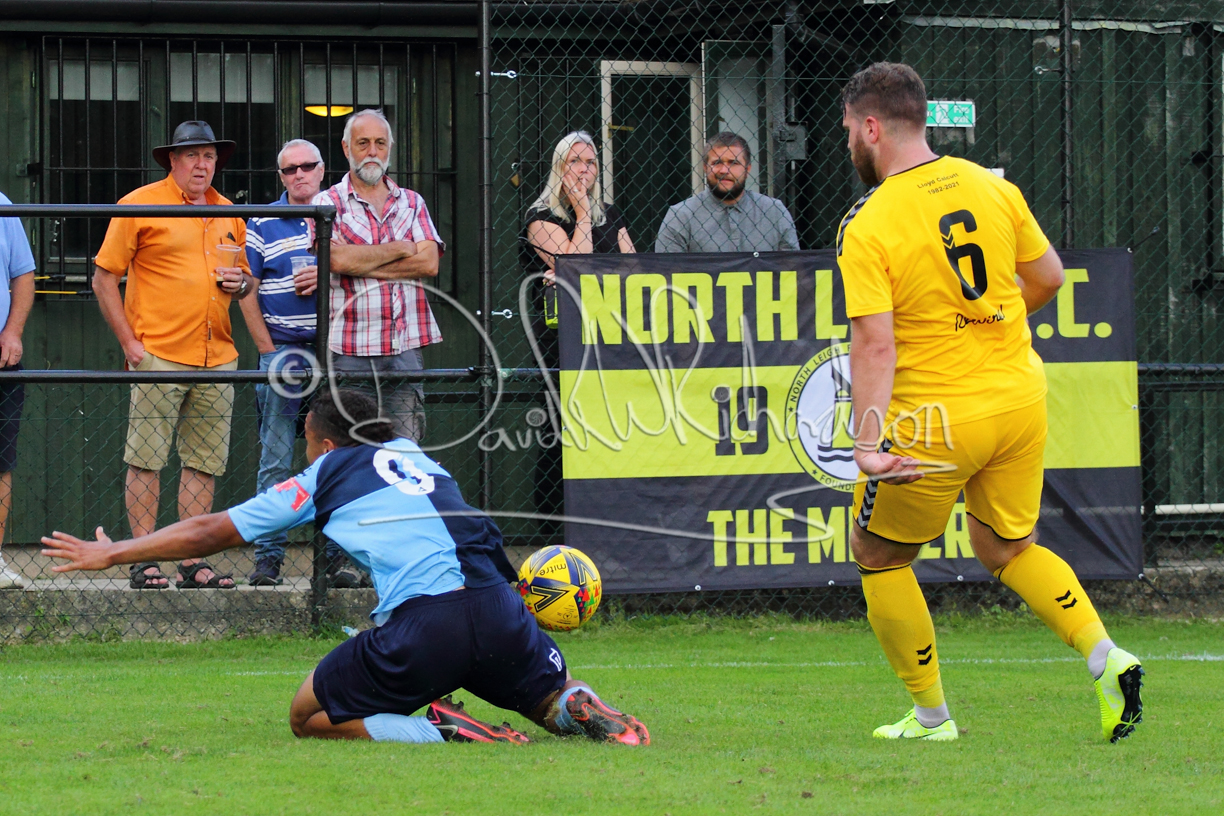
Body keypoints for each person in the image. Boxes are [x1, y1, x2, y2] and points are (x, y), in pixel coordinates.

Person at [42, 388, 652, 747]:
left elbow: (212, 531)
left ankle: (443, 731)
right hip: (501, 609)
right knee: (545, 699)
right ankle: (579, 705)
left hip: (428, 627)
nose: (307, 454)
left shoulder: (326, 472)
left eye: (308, 443)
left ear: (326, 444)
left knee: (307, 716)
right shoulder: (416, 456)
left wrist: (114, 552)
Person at [835, 62, 1143, 743]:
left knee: (877, 552)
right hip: (1018, 401)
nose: (848, 141)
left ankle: (931, 718)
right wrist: (984, 324)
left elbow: (875, 345)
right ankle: (1105, 656)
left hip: (936, 419)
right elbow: (1049, 277)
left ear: (873, 127)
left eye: (850, 128)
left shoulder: (869, 220)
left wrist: (866, 445)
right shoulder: (990, 186)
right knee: (1006, 547)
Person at [93, 120, 256, 590]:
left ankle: (191, 561)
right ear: (173, 160)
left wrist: (242, 283)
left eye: (209, 156)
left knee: (203, 463)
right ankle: (144, 561)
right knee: (146, 459)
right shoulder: (139, 203)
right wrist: (131, 345)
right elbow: (104, 278)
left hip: (217, 354)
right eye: (192, 155)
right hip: (158, 353)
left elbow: (246, 280)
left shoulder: (229, 212)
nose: (201, 165)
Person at [240, 138, 357, 587]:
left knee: (338, 456)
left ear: (323, 169)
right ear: (281, 176)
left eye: (307, 166)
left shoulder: (344, 214)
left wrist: (327, 273)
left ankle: (335, 560)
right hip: (284, 350)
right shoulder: (261, 221)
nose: (299, 175)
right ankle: (268, 559)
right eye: (290, 169)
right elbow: (246, 292)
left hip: (337, 350)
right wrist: (268, 351)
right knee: (275, 458)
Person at [522, 130, 634, 538]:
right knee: (561, 431)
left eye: (590, 163)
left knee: (612, 428)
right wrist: (583, 215)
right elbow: (575, 264)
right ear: (559, 167)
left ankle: (607, 526)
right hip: (562, 342)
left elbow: (634, 270)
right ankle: (555, 531)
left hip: (610, 336)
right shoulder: (541, 217)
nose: (583, 170)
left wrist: (583, 274)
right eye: (575, 161)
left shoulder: (611, 214)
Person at [311, 109, 443, 443]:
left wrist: (361, 263)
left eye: (380, 143)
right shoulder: (327, 202)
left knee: (404, 451)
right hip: (349, 349)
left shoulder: (412, 202)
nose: (373, 151)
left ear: (389, 148)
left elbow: (429, 264)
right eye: (363, 143)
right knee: (350, 449)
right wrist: (400, 248)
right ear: (346, 148)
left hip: (403, 347)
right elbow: (334, 259)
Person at [654, 132, 798, 253]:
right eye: (717, 163)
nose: (724, 170)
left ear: (747, 169)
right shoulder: (680, 216)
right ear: (705, 167)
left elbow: (793, 269)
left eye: (733, 163)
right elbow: (667, 271)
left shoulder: (774, 212)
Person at [0, 193, 35, 589]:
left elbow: (24, 275)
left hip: (1, 359)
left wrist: (12, 332)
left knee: (0, 461)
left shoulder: (2, 205)